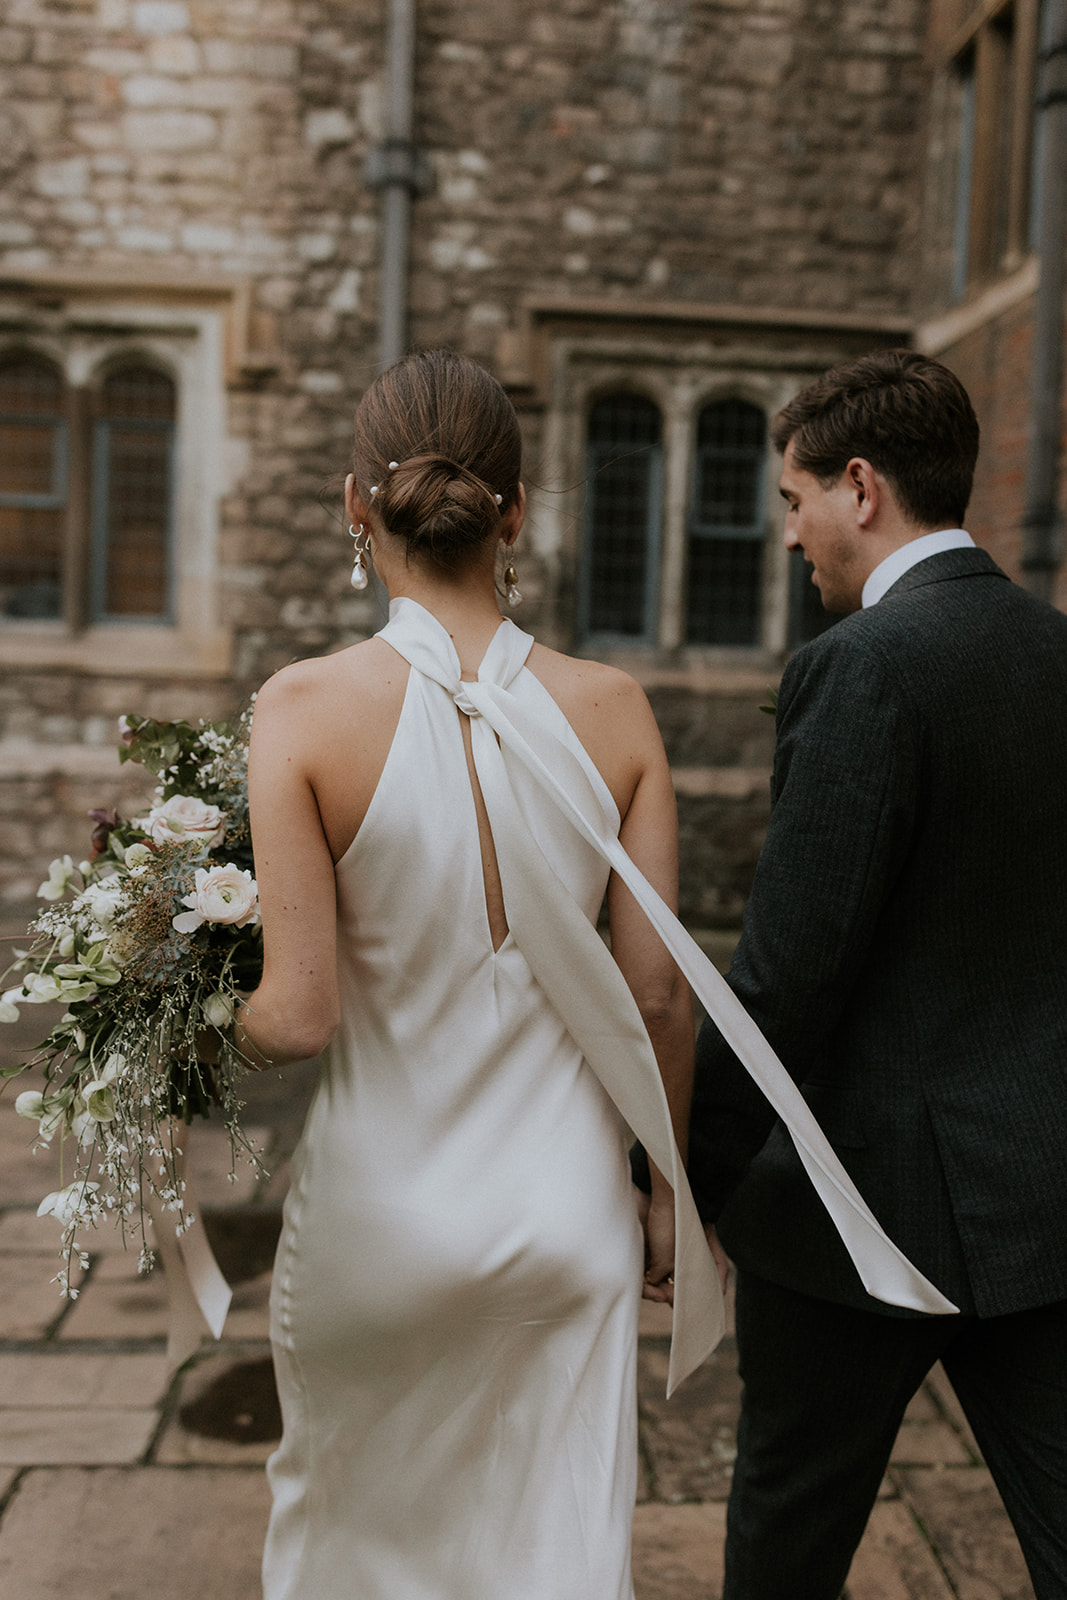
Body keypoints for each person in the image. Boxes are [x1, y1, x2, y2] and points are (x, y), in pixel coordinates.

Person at [231, 348, 722, 1600]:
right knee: (554, 1559)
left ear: (356, 505)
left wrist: (178, 1022)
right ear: (515, 508)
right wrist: (667, 1198)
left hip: (377, 1227)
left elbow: (295, 1014)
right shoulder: (615, 708)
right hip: (565, 1224)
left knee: (349, 1558)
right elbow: (656, 996)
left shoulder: (299, 708)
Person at [687, 349, 1067, 1598]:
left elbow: (790, 975)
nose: (786, 534)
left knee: (787, 1543)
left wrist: (695, 1175)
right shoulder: (1054, 652)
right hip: (1040, 1196)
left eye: (792, 501)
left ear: (860, 487)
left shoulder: (861, 667)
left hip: (853, 1212)